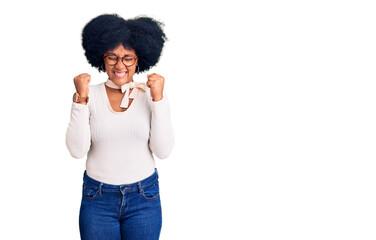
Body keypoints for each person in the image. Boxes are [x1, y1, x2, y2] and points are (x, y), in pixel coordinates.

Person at [65, 13, 174, 240]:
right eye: (112, 57)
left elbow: (163, 151)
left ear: (139, 59)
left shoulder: (149, 96)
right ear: (101, 58)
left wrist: (159, 99)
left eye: (128, 58)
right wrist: (80, 100)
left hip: (144, 198)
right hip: (98, 200)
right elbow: (77, 151)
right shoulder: (90, 95)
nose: (119, 65)